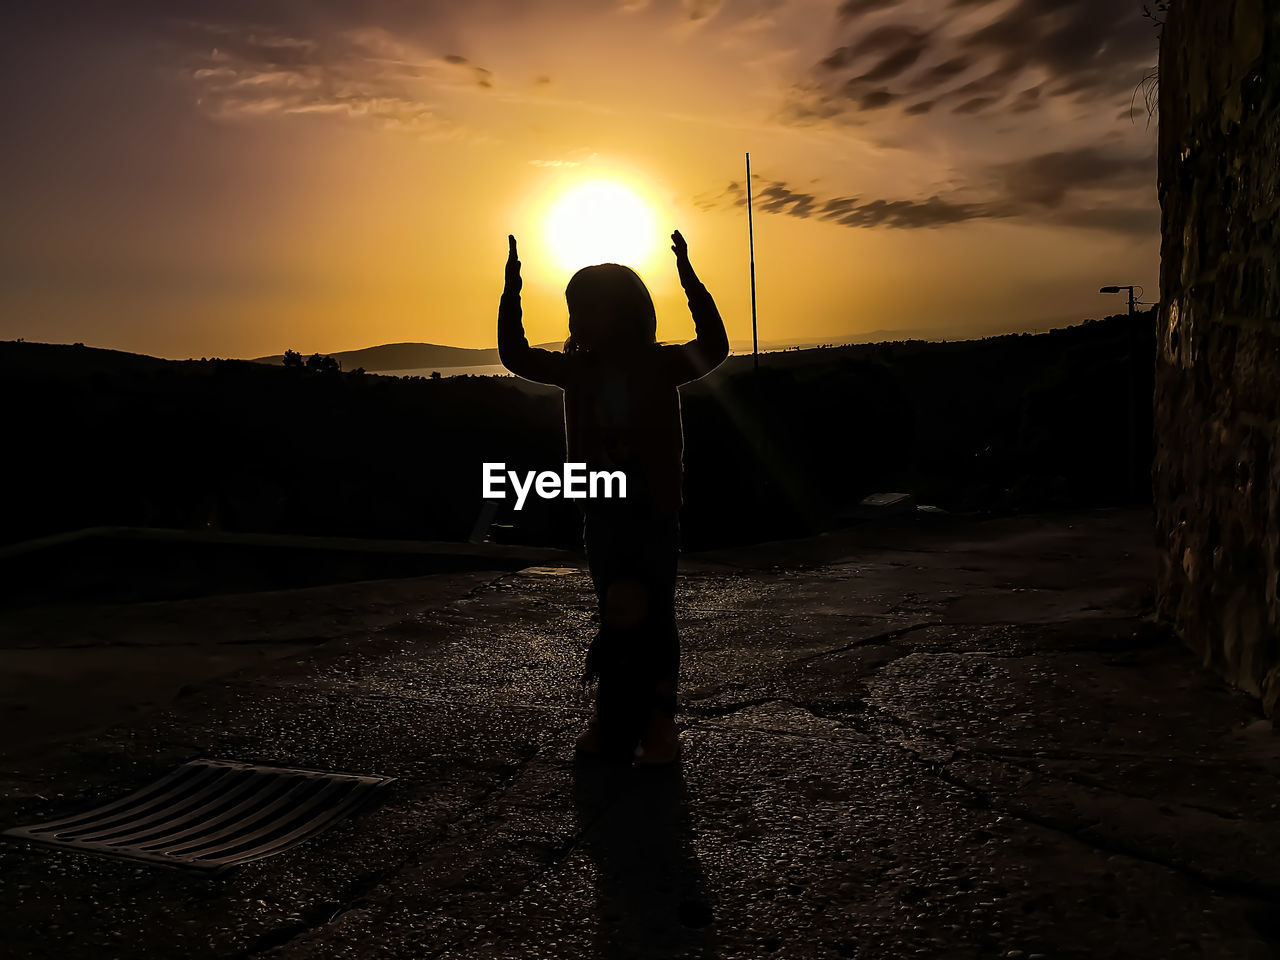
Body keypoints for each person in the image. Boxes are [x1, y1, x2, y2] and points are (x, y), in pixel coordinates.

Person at [497, 229, 728, 764]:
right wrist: (513, 289)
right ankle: (614, 721)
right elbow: (515, 353)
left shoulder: (658, 364)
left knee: (654, 615)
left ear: (622, 312)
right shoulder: (577, 368)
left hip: (651, 510)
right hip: (600, 509)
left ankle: (655, 725)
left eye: (587, 306)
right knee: (617, 614)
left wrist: (689, 277)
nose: (578, 318)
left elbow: (714, 345)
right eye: (575, 307)